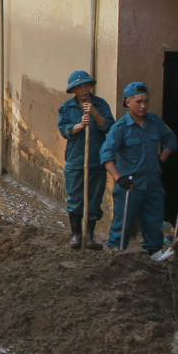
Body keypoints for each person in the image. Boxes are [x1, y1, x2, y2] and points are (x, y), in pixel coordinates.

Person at [100, 82, 178, 253]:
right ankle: (115, 254)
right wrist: (119, 178)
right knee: (123, 223)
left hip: (152, 184)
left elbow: (171, 140)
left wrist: (161, 160)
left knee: (154, 222)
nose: (143, 106)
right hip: (130, 186)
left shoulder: (155, 121)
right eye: (139, 102)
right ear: (128, 102)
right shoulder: (119, 128)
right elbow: (106, 155)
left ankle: (154, 254)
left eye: (146, 101)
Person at [58, 72, 112, 248]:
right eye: (79, 87)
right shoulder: (67, 108)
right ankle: (76, 236)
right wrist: (80, 125)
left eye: (86, 85)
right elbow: (64, 130)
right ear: (73, 89)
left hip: (96, 160)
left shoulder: (101, 104)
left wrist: (95, 113)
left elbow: (109, 126)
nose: (83, 89)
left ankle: (89, 237)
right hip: (76, 160)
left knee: (94, 200)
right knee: (76, 199)